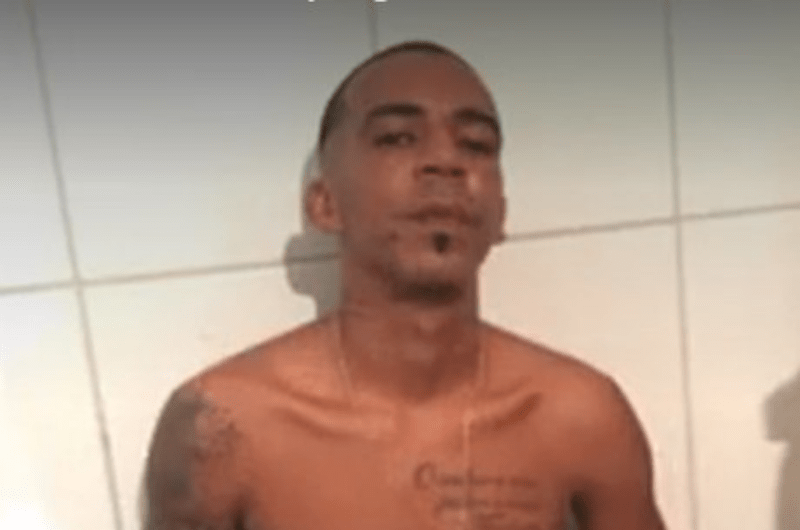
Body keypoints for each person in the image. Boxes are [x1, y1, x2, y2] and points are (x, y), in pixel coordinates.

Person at [143, 40, 667, 530]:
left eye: (476, 144)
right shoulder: (221, 428)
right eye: (396, 137)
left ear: (500, 214)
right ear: (324, 204)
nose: (446, 162)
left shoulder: (579, 417)